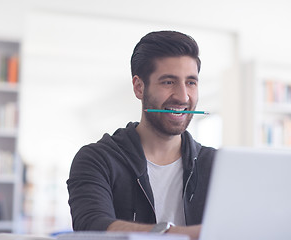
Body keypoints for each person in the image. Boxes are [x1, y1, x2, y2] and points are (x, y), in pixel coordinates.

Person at [67, 30, 216, 239]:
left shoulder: (216, 164)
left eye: (191, 82)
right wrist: (183, 234)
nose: (183, 96)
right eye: (168, 82)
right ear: (139, 87)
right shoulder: (97, 159)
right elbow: (92, 227)